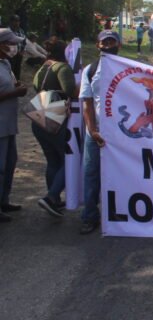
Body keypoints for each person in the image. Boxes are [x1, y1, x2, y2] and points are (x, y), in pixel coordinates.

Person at [79, 30, 121, 234]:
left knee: (125, 173)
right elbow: (86, 102)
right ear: (98, 45)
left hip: (123, 133)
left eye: (111, 42)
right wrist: (92, 130)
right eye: (104, 43)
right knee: (91, 173)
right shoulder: (90, 70)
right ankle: (90, 215)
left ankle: (123, 213)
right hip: (96, 132)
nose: (107, 46)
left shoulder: (130, 70)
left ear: (118, 45)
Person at [31, 39, 76, 217]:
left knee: (53, 161)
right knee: (68, 160)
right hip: (54, 117)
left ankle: (54, 200)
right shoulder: (62, 68)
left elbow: (36, 87)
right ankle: (51, 197)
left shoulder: (44, 67)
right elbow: (70, 90)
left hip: (38, 114)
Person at [0, 28, 28, 222]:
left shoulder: (6, 63)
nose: (13, 46)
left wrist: (17, 87)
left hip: (9, 124)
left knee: (10, 164)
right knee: (0, 167)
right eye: (10, 43)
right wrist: (14, 93)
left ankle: (4, 200)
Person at [8, 15, 26, 79]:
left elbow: (24, 42)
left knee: (17, 70)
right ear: (11, 22)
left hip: (19, 54)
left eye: (18, 21)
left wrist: (22, 51)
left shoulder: (21, 31)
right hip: (10, 55)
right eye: (15, 21)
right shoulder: (7, 31)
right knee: (10, 69)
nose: (17, 23)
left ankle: (17, 83)